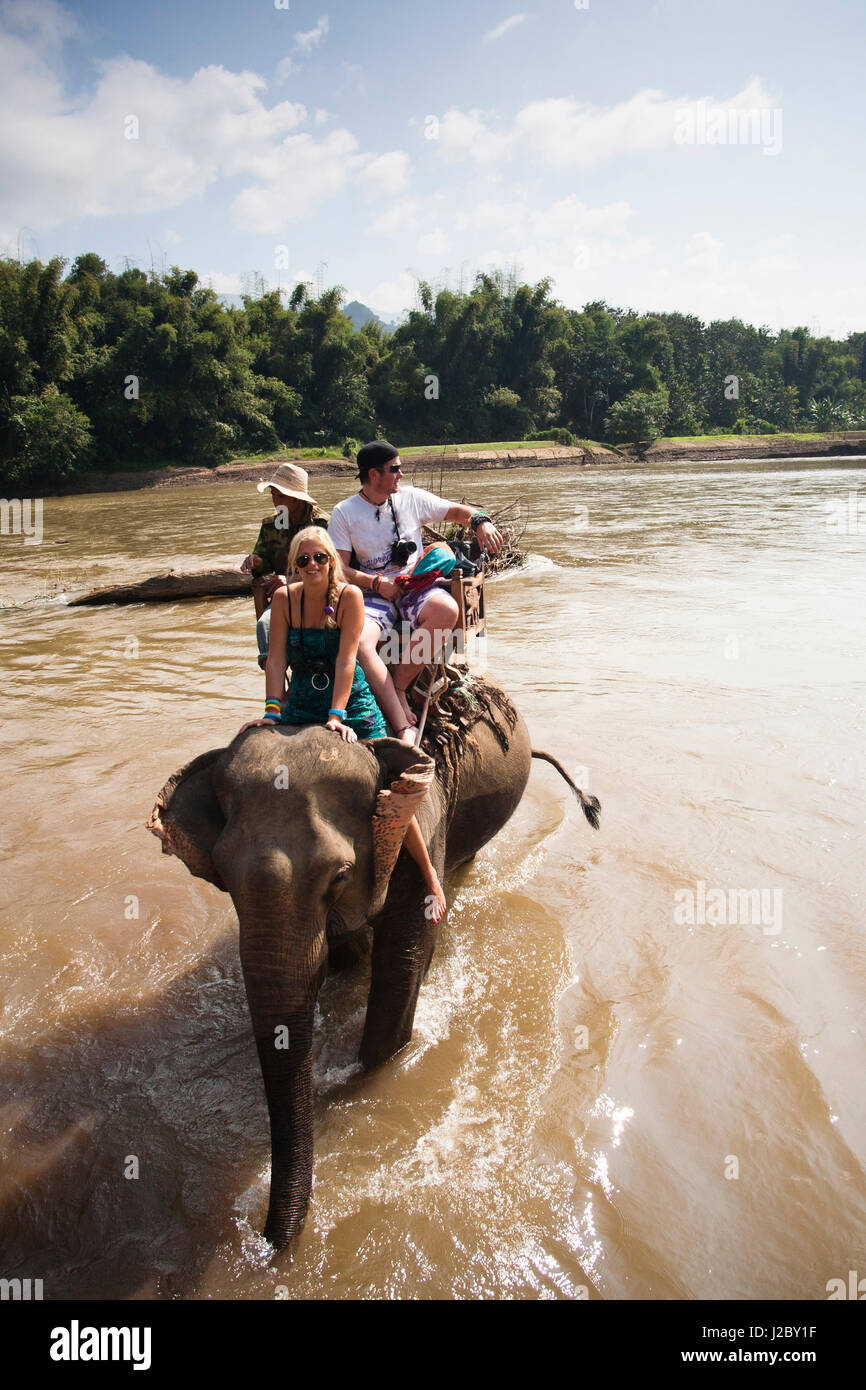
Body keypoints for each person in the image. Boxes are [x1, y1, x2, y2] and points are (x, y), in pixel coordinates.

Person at [239, 527, 447, 922]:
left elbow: (346, 660)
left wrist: (337, 716)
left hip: (349, 700)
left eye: (320, 558)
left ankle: (429, 875)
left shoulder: (349, 596)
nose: (312, 565)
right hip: (301, 700)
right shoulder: (285, 599)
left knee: (388, 784)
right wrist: (270, 711)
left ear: (332, 562)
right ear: (294, 565)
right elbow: (277, 660)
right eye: (303, 560)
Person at [328, 440, 504, 743]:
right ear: (373, 475)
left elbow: (461, 512)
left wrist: (481, 522)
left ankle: (399, 685)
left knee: (447, 610)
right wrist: (376, 583)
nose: (401, 474)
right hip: (374, 592)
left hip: (415, 586)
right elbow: (339, 569)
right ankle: (400, 721)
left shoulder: (411, 498)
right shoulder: (344, 512)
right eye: (394, 469)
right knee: (359, 642)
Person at [239, 463, 329, 669]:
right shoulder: (270, 526)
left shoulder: (322, 524)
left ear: (297, 499)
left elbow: (331, 568)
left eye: (281, 497)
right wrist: (258, 561)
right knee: (264, 625)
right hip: (284, 597)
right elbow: (264, 567)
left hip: (318, 593)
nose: (275, 501)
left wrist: (291, 580)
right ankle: (278, 685)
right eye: (273, 495)